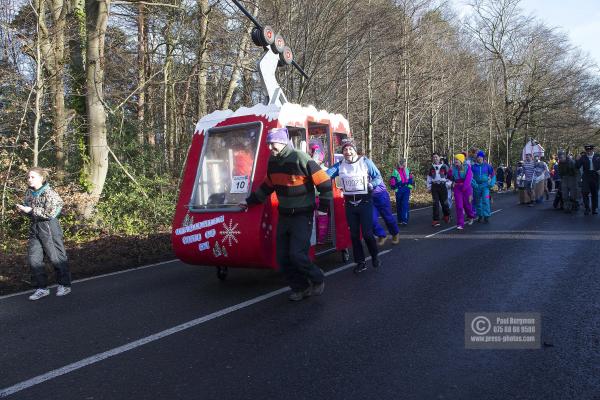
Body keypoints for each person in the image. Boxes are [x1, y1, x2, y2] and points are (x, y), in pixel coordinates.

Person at [241, 127, 331, 301]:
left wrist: (324, 208)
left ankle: (317, 278)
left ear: (282, 142)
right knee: (282, 258)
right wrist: (249, 201)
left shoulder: (300, 157)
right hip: (284, 216)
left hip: (302, 216)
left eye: (272, 143)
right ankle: (301, 288)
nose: (269, 147)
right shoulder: (273, 161)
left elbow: (324, 182)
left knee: (297, 255)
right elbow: (268, 185)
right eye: (268, 144)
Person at [16, 167, 71, 300]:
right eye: (28, 177)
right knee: (34, 259)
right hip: (35, 227)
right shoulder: (29, 193)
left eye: (33, 177)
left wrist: (30, 210)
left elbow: (52, 213)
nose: (29, 180)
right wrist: (23, 211)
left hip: (49, 227)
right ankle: (41, 288)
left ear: (41, 178)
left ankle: (64, 285)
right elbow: (31, 213)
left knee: (56, 257)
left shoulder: (50, 193)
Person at [327, 140, 382, 273]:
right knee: (354, 235)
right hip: (350, 204)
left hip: (365, 202)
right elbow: (325, 175)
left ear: (355, 150)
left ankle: (374, 255)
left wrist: (371, 184)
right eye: (345, 150)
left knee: (368, 234)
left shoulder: (365, 162)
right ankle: (360, 262)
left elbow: (378, 177)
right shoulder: (340, 165)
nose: (348, 152)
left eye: (350, 149)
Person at [308, 139, 330, 244]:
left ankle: (320, 238)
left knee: (321, 217)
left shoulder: (324, 169)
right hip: (314, 196)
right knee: (318, 217)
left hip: (321, 197)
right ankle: (318, 238)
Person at [449, 153, 475, 230]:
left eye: (457, 159)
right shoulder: (453, 168)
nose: (455, 161)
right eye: (455, 159)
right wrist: (449, 173)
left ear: (461, 160)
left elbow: (468, 178)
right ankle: (460, 223)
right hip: (457, 188)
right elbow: (450, 177)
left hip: (466, 188)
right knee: (459, 206)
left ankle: (470, 216)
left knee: (467, 205)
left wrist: (464, 187)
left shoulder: (467, 167)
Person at [427, 152, 451, 227]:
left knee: (444, 202)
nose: (435, 158)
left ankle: (446, 215)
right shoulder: (431, 167)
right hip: (434, 186)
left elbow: (450, 176)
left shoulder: (444, 166)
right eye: (434, 157)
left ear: (439, 158)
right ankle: (436, 220)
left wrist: (448, 184)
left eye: (436, 157)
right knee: (435, 203)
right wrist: (429, 187)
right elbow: (429, 178)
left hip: (443, 186)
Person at [471, 150, 496, 222]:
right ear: (476, 158)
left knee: (486, 200)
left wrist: (491, 183)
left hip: (485, 186)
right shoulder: (473, 167)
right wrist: (473, 184)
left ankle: (486, 216)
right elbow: (470, 177)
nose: (479, 158)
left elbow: (493, 175)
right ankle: (480, 215)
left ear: (483, 158)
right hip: (477, 187)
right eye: (478, 157)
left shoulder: (488, 166)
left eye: (481, 157)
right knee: (478, 202)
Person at [576, 144, 600, 215]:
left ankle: (594, 208)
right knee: (584, 192)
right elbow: (577, 167)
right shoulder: (583, 157)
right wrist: (577, 160)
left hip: (595, 175)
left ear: (593, 150)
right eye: (587, 150)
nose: (588, 151)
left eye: (590, 150)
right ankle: (587, 208)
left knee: (594, 193)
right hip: (586, 176)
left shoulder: (598, 156)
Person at [389, 158, 414, 226]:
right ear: (400, 164)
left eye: (404, 163)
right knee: (399, 205)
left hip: (406, 189)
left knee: (404, 204)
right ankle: (400, 220)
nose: (404, 164)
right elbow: (392, 180)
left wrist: (410, 187)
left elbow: (411, 179)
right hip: (399, 190)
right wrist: (394, 187)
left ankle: (404, 220)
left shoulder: (407, 170)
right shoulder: (395, 171)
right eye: (402, 163)